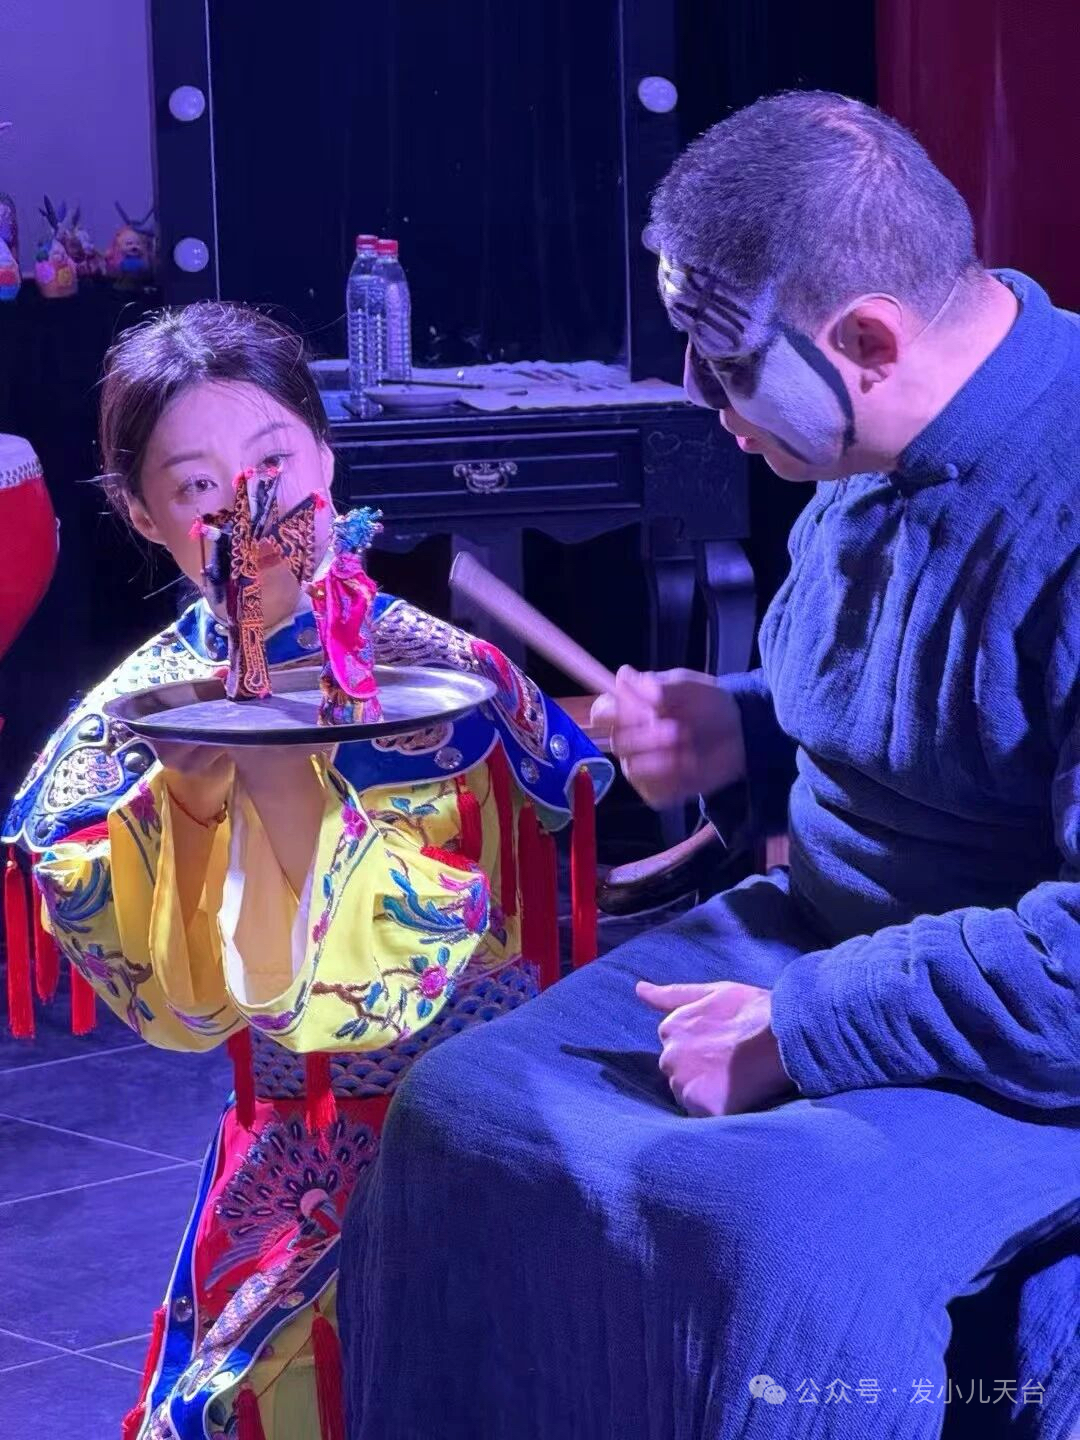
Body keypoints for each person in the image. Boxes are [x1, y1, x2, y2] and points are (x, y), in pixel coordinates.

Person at [337, 92, 1080, 1439]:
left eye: (725, 360)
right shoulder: (865, 427)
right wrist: (747, 725)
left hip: (1019, 1032)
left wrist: (805, 1028)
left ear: (868, 339)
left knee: (761, 1240)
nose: (698, 394)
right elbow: (947, 718)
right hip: (817, 935)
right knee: (457, 1117)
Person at [2, 302, 611, 1440]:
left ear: (327, 458)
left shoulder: (447, 675)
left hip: (504, 1127)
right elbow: (196, 1003)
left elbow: (454, 942)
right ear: (140, 513)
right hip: (303, 1148)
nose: (249, 504)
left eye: (273, 460)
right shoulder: (132, 725)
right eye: (196, 486)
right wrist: (206, 785)